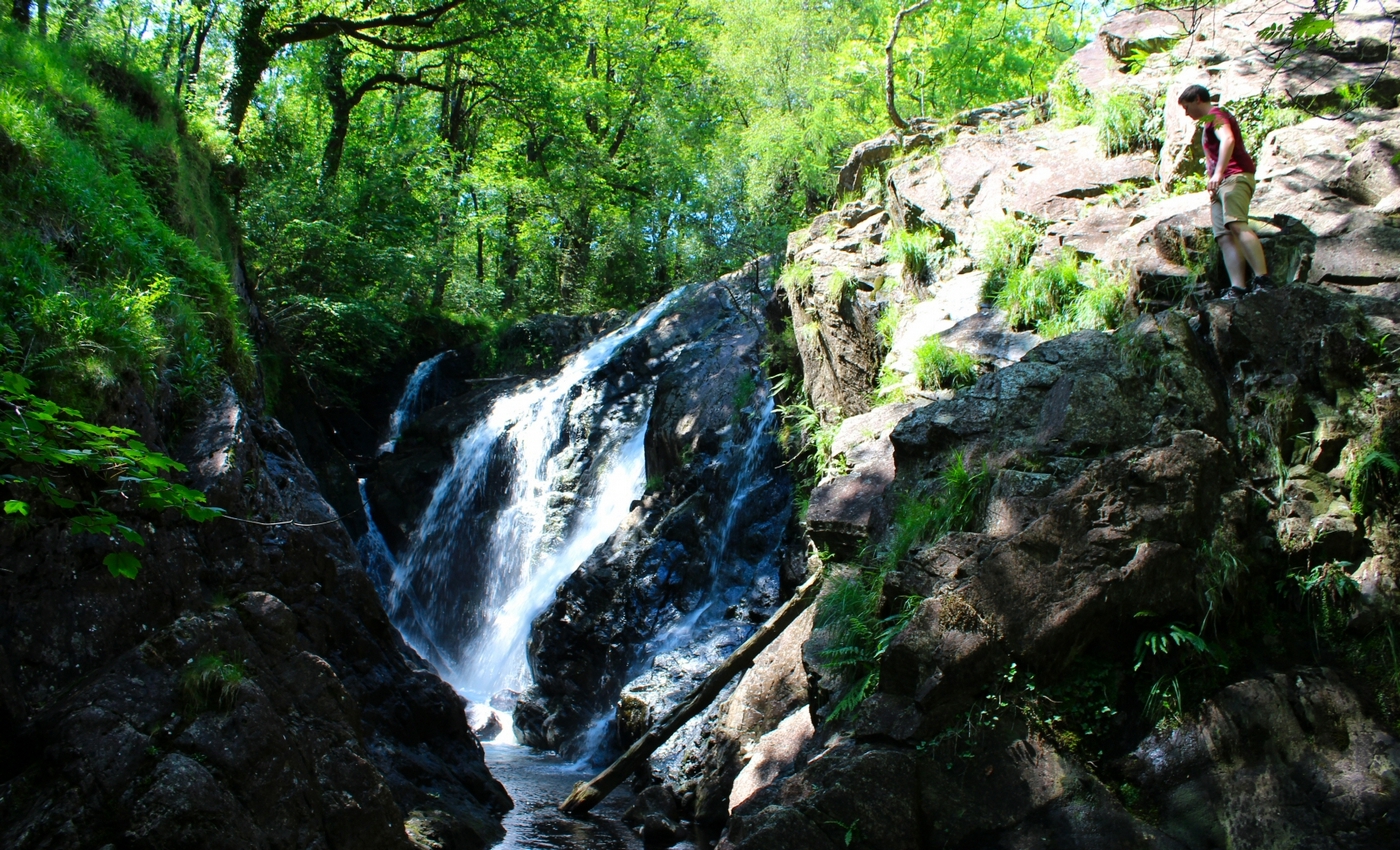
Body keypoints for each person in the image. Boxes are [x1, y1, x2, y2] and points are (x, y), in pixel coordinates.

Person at [1177, 84, 1275, 300]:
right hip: (1220, 184)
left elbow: (1228, 138)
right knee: (1224, 236)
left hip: (1233, 177)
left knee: (1237, 224)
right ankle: (1237, 288)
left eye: (1186, 107)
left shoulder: (1215, 114)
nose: (1186, 113)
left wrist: (1218, 173)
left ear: (1198, 100)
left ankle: (1262, 279)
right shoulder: (1208, 121)